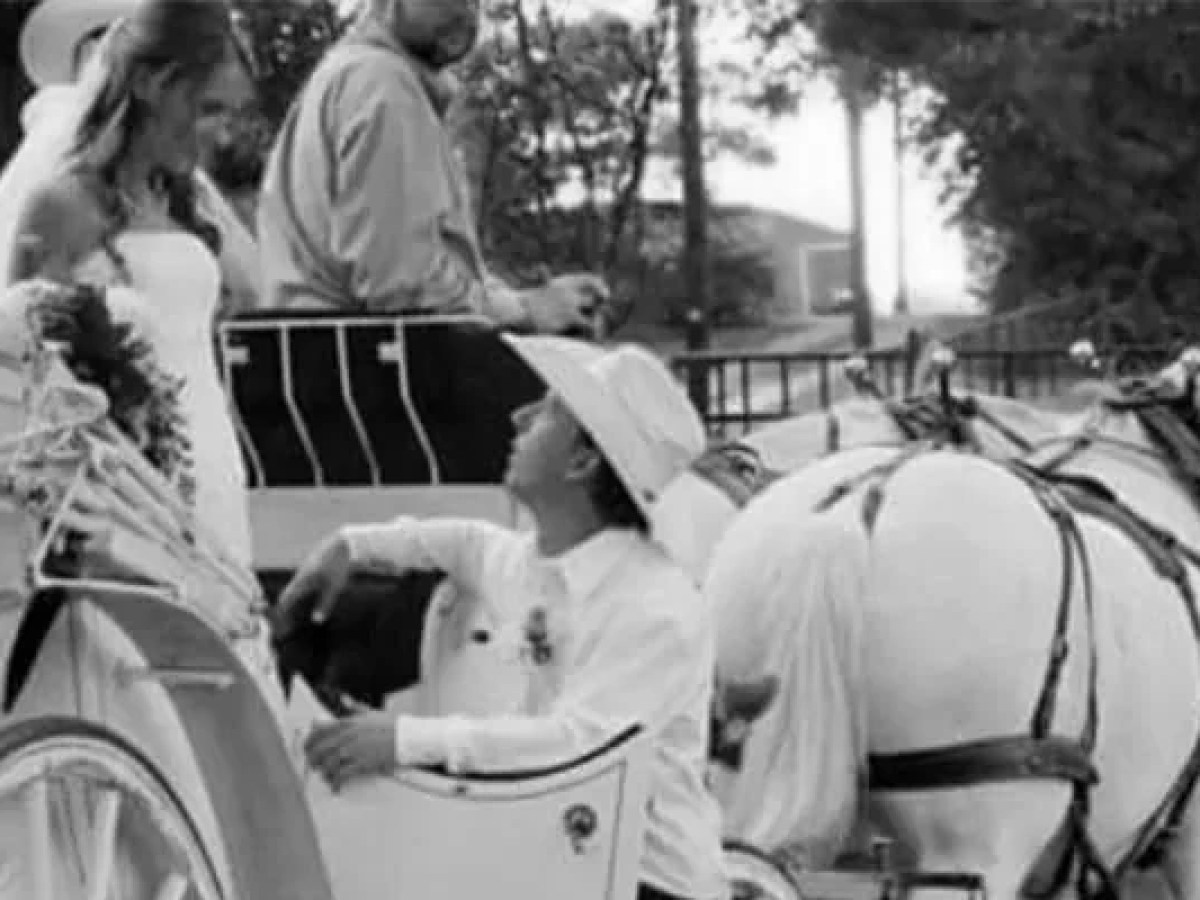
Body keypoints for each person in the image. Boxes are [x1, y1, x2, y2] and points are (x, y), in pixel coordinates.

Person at [274, 334, 727, 900]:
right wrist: (350, 544)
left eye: (547, 412)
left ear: (583, 461)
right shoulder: (536, 560)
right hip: (554, 852)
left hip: (644, 880)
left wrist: (405, 739)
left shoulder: (654, 608)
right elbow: (464, 544)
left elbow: (579, 744)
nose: (519, 416)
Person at [256, 0, 610, 334]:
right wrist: (526, 311)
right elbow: (401, 287)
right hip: (364, 376)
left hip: (334, 361)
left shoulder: (348, 74)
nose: (464, 10)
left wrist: (532, 301)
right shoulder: (383, 86)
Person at [16, 0, 262, 315]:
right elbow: (24, 353)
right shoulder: (59, 205)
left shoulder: (182, 203)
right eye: (207, 109)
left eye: (230, 114)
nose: (224, 138)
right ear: (148, 84)